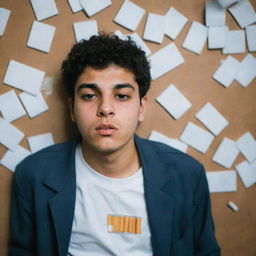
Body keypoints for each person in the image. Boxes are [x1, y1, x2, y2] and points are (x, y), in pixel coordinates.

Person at [9, 33, 221, 256]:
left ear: (141, 107)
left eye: (121, 96)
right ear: (71, 109)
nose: (105, 108)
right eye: (90, 96)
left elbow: (205, 251)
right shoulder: (32, 174)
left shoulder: (187, 175)